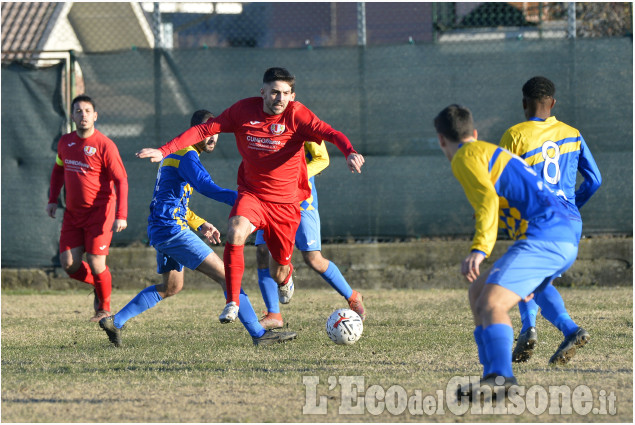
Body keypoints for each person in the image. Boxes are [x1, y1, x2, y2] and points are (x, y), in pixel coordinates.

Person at [136, 67, 365, 324]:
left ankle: (287, 278)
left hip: (287, 203)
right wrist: (165, 149)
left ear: (292, 95)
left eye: (286, 94)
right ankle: (233, 301)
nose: (280, 99)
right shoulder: (244, 111)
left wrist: (350, 152)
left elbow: (330, 133)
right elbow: (204, 130)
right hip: (253, 195)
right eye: (275, 92)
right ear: (263, 92)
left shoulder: (298, 115)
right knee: (235, 231)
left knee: (280, 269)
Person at [99, 110, 297, 347]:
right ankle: (259, 334)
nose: (213, 138)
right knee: (228, 275)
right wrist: (247, 201)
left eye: (216, 133)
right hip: (171, 229)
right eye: (208, 132)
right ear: (196, 132)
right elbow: (207, 187)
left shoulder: (177, 153)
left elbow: (172, 200)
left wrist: (200, 223)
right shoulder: (187, 155)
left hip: (161, 227)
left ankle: (115, 322)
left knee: (172, 286)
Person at [433, 104, 583, 395]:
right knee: (478, 291)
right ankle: (491, 375)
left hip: (546, 236)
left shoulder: (464, 156)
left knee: (492, 303)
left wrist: (479, 248)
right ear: (474, 133)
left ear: (441, 140)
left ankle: (501, 380)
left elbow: (487, 202)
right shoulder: (487, 150)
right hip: (558, 232)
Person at [500, 76, 601, 364]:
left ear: (523, 104)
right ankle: (531, 330)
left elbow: (504, 184)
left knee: (524, 278)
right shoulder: (572, 133)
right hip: (570, 222)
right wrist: (571, 206)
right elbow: (595, 180)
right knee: (537, 281)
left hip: (537, 220)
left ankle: (557, 330)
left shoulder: (515, 135)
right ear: (553, 104)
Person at [256, 141, 366, 329]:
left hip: (302, 202)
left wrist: (292, 176)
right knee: (262, 252)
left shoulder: (302, 122)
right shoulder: (260, 125)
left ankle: (352, 296)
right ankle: (274, 313)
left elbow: (322, 159)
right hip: (270, 198)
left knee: (313, 258)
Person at [46, 94, 128, 322]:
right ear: (72, 116)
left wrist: (121, 215)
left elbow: (121, 180)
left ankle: (104, 308)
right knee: (69, 265)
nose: (83, 115)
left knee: (96, 261)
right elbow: (58, 170)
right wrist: (53, 199)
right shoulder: (65, 142)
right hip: (73, 214)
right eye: (78, 111)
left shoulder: (105, 145)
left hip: (99, 213)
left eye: (87, 111)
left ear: (95, 116)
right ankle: (100, 284)